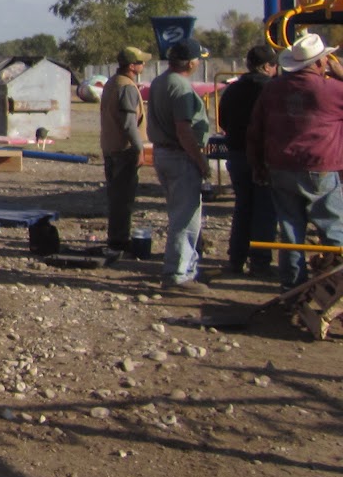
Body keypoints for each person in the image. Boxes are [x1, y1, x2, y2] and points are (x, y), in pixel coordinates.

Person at [245, 31, 343, 290]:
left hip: (280, 166)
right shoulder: (332, 89)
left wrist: (257, 165)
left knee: (290, 230)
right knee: (333, 229)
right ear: (321, 62)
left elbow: (256, 129)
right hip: (319, 166)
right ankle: (336, 285)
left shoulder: (273, 89)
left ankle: (292, 285)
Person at [145, 38, 213, 293]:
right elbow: (184, 129)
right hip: (180, 155)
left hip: (164, 153)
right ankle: (177, 275)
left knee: (180, 213)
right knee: (186, 218)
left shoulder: (161, 81)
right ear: (192, 62)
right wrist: (201, 161)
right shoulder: (180, 86)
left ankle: (189, 268)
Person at [217, 43, 278, 276]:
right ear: (266, 66)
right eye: (274, 65)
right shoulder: (272, 89)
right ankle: (260, 262)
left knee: (243, 207)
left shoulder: (232, 89)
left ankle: (236, 258)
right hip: (263, 157)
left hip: (236, 154)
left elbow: (222, 122)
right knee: (265, 209)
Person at [99, 45, 150, 257]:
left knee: (115, 195)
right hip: (124, 149)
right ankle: (119, 240)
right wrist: (140, 149)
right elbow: (129, 124)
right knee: (123, 197)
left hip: (110, 146)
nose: (143, 65)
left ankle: (115, 237)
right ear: (131, 66)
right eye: (140, 62)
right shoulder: (127, 87)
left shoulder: (112, 82)